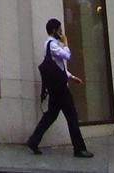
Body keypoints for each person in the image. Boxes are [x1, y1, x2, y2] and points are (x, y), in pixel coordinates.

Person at [26, 18, 93, 159]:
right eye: (60, 30)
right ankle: (79, 149)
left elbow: (58, 67)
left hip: (55, 87)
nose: (62, 32)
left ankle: (33, 141)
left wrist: (71, 77)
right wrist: (66, 42)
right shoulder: (52, 45)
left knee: (51, 115)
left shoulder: (49, 45)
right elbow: (67, 56)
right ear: (54, 30)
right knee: (72, 115)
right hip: (60, 88)